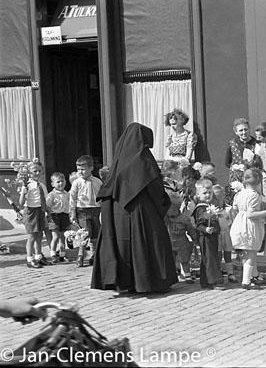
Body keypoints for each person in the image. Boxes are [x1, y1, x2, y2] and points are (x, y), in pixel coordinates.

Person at [91, 123, 178, 293]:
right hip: (143, 210)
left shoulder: (119, 159)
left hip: (118, 213)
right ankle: (149, 282)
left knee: (124, 245)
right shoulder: (144, 159)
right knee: (149, 241)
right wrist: (165, 201)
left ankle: (126, 282)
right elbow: (155, 187)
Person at [230, 168, 266, 290]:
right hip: (249, 226)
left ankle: (254, 274)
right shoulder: (254, 195)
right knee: (250, 254)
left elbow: (234, 208)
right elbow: (251, 214)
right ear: (258, 182)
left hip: (239, 224)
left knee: (247, 253)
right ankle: (246, 280)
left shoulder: (239, 193)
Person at [69, 155, 103, 267]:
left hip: (96, 209)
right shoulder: (77, 182)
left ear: (91, 168)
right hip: (82, 209)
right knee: (84, 233)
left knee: (95, 233)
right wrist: (72, 212)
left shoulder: (97, 181)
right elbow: (72, 198)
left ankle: (93, 255)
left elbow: (102, 195)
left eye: (83, 169)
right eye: (78, 169)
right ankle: (80, 255)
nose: (80, 172)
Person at [19, 160, 49, 269]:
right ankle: (29, 258)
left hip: (40, 210)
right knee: (31, 236)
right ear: (29, 173)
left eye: (39, 171)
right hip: (31, 211)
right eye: (34, 171)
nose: (37, 173)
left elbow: (46, 199)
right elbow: (21, 202)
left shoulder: (42, 185)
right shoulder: (28, 185)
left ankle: (38, 256)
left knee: (39, 235)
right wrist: (24, 191)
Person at [192, 179, 221, 289]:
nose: (208, 195)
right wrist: (205, 229)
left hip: (212, 236)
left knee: (209, 257)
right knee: (209, 259)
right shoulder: (200, 208)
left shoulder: (210, 206)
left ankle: (205, 281)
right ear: (198, 194)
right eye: (204, 193)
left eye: (210, 192)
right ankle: (213, 281)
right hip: (205, 238)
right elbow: (198, 224)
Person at [164, 192, 196, 283]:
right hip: (170, 241)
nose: (170, 211)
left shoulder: (183, 218)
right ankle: (172, 275)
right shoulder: (165, 218)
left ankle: (187, 275)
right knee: (170, 259)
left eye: (173, 209)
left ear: (177, 208)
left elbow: (190, 229)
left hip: (182, 241)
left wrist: (194, 238)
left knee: (184, 259)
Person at [225, 118, 261, 187]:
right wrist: (235, 167)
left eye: (246, 129)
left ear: (249, 129)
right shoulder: (232, 144)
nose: (244, 132)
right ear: (236, 132)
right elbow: (227, 163)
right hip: (236, 180)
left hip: (252, 179)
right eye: (241, 130)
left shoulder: (256, 143)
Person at [46, 172, 70, 263]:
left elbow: (68, 205)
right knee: (55, 236)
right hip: (54, 216)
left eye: (62, 181)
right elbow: (48, 205)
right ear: (53, 184)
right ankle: (53, 254)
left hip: (64, 216)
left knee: (63, 237)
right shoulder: (51, 194)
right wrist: (49, 215)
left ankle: (62, 255)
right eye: (58, 182)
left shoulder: (66, 193)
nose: (61, 183)